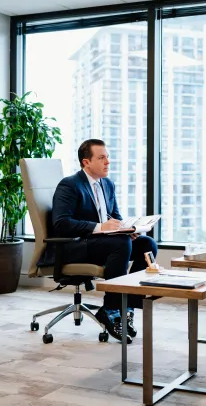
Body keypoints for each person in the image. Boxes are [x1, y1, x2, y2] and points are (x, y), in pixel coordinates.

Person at [50, 139, 158, 343]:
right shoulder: (70, 184)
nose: (108, 161)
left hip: (104, 244)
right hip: (75, 246)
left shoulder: (107, 184)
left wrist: (128, 229)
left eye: (107, 156)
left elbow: (114, 217)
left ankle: (127, 309)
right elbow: (61, 223)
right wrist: (100, 227)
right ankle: (110, 309)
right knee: (120, 244)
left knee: (146, 245)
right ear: (86, 162)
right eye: (101, 158)